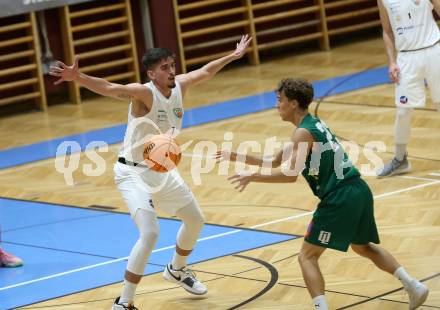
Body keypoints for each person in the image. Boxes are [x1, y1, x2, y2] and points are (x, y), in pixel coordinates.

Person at [50, 35, 252, 309]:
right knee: (150, 233)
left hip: (161, 170)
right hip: (132, 173)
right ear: (152, 74)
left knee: (195, 220)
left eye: (172, 65)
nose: (172, 71)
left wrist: (233, 55)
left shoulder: (180, 86)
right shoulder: (144, 93)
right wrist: (79, 77)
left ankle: (177, 269)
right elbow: (110, 87)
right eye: (165, 68)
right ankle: (125, 301)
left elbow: (205, 71)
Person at [217, 78, 429, 310]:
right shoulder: (313, 124)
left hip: (339, 198)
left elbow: (289, 175)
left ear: (294, 103)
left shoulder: (302, 134)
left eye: (280, 100)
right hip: (358, 190)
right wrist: (237, 156)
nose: (276, 105)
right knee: (363, 247)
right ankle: (413, 286)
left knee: (307, 256)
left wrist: (252, 177)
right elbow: (275, 161)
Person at [377, 0, 440, 177]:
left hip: (434, 51)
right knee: (403, 112)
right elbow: (387, 31)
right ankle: (400, 160)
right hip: (406, 59)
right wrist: (391, 62)